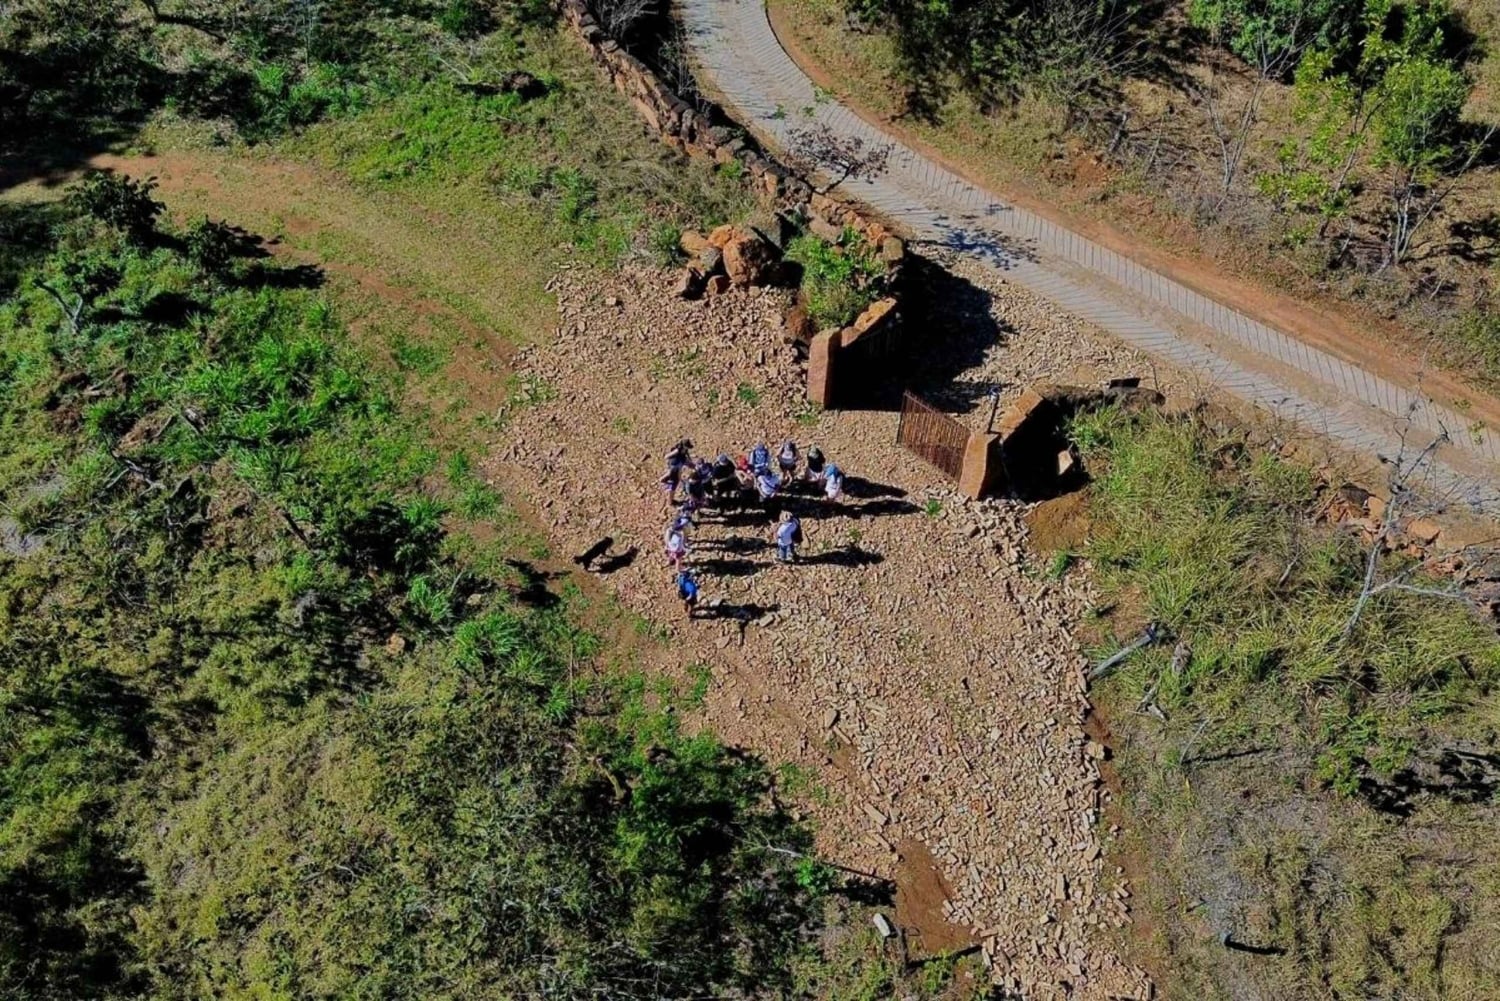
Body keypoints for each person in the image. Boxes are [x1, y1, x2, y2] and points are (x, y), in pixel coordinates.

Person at [661, 439, 693, 505]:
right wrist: (672, 463)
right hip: (674, 469)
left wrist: (689, 462)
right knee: (673, 486)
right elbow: (666, 456)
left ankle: (663, 479)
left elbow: (686, 458)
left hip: (678, 467)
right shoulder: (677, 451)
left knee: (676, 481)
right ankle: (670, 501)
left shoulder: (684, 451)